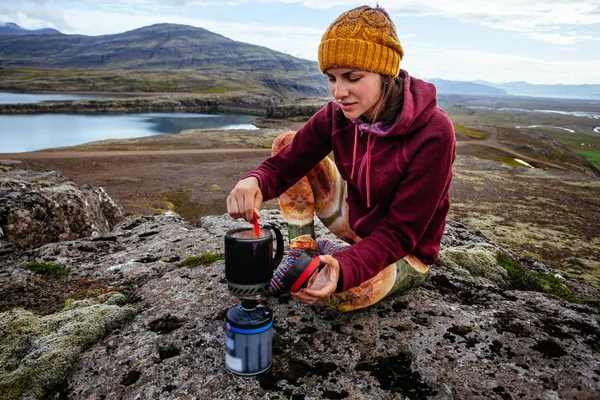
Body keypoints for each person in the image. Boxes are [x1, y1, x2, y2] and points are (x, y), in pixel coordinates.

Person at [227, 5, 456, 311]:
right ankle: (303, 250)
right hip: (354, 224)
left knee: (336, 294)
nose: (338, 92)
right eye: (331, 78)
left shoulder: (434, 132)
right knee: (286, 143)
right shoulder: (336, 117)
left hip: (404, 252)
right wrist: (254, 181)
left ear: (385, 71)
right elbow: (285, 166)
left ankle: (330, 259)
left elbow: (400, 234)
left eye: (352, 77)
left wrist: (343, 269)